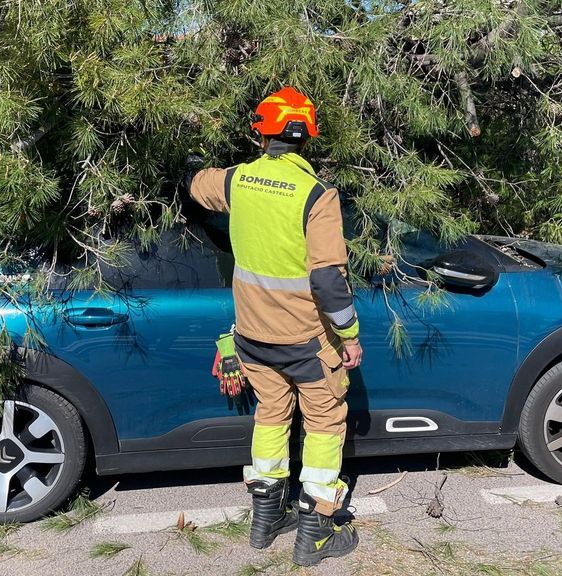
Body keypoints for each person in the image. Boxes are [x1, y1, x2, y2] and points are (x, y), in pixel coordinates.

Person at [185, 86, 363, 566]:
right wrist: (348, 336)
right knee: (326, 422)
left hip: (251, 337)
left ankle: (266, 520)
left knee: (271, 415)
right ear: (308, 137)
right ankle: (317, 531)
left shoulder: (238, 180)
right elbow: (328, 279)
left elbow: (196, 183)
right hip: (306, 342)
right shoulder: (316, 195)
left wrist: (188, 165)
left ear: (260, 132)